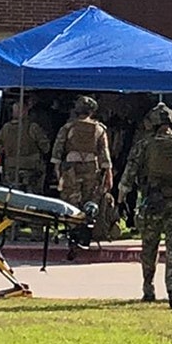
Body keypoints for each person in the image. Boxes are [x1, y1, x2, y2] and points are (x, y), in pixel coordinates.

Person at [118, 103, 172, 308]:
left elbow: (129, 174)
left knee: (149, 247)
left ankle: (148, 288)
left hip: (151, 203)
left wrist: (121, 198)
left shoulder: (143, 145)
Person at [53, 96, 114, 260]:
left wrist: (57, 170)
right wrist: (108, 173)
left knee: (71, 202)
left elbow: (58, 150)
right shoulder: (99, 129)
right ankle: (85, 236)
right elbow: (104, 152)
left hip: (70, 169)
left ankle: (73, 236)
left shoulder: (68, 128)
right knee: (89, 202)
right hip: (91, 169)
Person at [0, 98, 51, 195]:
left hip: (11, 168)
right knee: (33, 195)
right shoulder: (32, 127)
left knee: (12, 194)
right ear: (25, 112)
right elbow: (45, 147)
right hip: (31, 169)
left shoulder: (5, 128)